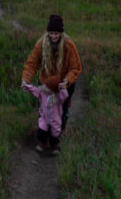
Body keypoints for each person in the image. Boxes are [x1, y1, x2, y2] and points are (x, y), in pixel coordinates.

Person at [21, 14, 82, 152]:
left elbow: (75, 67)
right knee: (43, 111)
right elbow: (31, 63)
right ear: (47, 32)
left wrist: (67, 80)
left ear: (61, 33)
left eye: (56, 33)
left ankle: (56, 141)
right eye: (51, 33)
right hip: (45, 84)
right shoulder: (41, 43)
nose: (53, 36)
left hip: (64, 85)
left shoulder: (68, 45)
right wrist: (26, 79)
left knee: (61, 112)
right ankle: (42, 140)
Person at [22, 76, 69, 155]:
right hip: (44, 117)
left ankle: (54, 146)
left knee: (55, 134)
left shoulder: (58, 96)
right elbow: (35, 90)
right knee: (42, 130)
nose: (44, 87)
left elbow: (65, 96)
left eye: (47, 87)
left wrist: (63, 88)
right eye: (45, 85)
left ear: (53, 89)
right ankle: (42, 143)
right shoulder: (43, 93)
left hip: (55, 119)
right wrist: (27, 86)